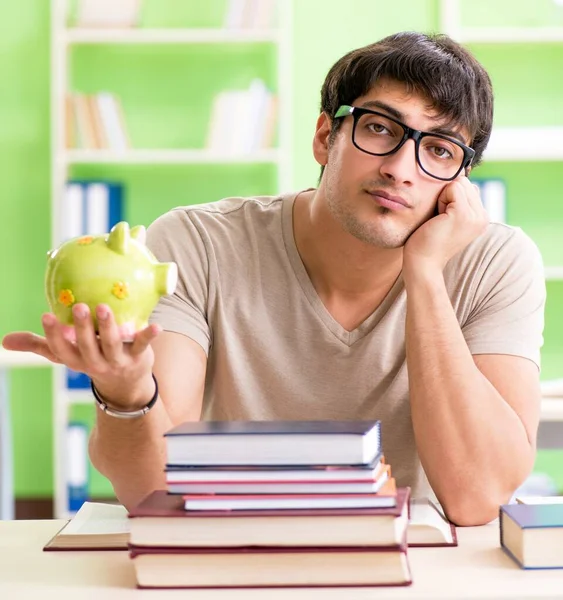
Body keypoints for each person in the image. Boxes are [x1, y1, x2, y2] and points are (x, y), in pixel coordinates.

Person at [2, 31, 545, 526]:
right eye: (379, 128)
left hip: (421, 570)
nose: (401, 168)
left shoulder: (496, 262)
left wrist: (424, 275)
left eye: (439, 150)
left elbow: (476, 499)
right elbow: (150, 492)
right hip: (233, 550)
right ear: (325, 137)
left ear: (460, 183)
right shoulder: (199, 244)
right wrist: (125, 394)